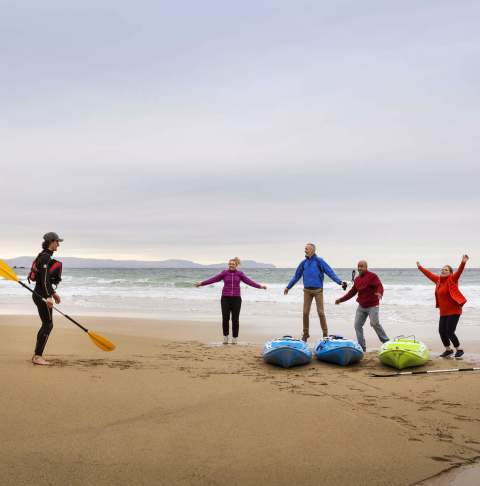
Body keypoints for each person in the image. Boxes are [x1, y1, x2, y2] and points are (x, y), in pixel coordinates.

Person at [284, 243, 347, 342]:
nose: (305, 250)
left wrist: (340, 282)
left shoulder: (319, 261)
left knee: (321, 313)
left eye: (307, 249)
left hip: (318, 291)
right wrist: (288, 287)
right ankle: (305, 334)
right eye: (305, 249)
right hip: (307, 291)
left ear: (313, 250)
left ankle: (325, 334)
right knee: (305, 313)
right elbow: (296, 276)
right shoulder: (303, 263)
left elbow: (330, 272)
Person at [196, 258, 267, 344]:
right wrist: (202, 283)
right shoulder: (224, 273)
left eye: (232, 264)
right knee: (225, 318)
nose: (231, 265)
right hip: (225, 298)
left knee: (235, 319)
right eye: (229, 264)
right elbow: (213, 279)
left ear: (236, 265)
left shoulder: (240, 274)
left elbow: (249, 282)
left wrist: (260, 286)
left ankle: (234, 338)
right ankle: (225, 337)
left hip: (236, 299)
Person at [416, 255, 469, 358]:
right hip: (444, 312)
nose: (443, 271)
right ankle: (448, 350)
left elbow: (459, 271)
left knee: (450, 331)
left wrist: (463, 262)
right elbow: (429, 274)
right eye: (442, 269)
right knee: (441, 331)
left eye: (446, 270)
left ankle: (459, 349)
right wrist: (420, 267)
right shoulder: (438, 280)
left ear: (450, 272)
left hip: (454, 311)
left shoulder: (453, 279)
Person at [335, 260, 389, 351]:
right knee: (357, 325)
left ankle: (386, 342)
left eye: (362, 266)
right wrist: (341, 300)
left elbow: (379, 286)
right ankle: (362, 347)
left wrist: (380, 293)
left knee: (374, 323)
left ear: (366, 267)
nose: (359, 268)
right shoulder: (357, 279)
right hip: (362, 306)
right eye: (358, 266)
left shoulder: (372, 276)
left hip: (373, 305)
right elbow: (351, 293)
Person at [30, 232, 63, 365]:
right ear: (51, 242)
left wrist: (53, 293)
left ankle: (36, 355)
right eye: (57, 242)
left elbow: (44, 280)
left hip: (40, 293)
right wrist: (48, 296)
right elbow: (43, 280)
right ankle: (38, 357)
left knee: (46, 324)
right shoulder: (45, 258)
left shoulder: (45, 256)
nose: (58, 245)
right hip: (41, 295)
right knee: (48, 324)